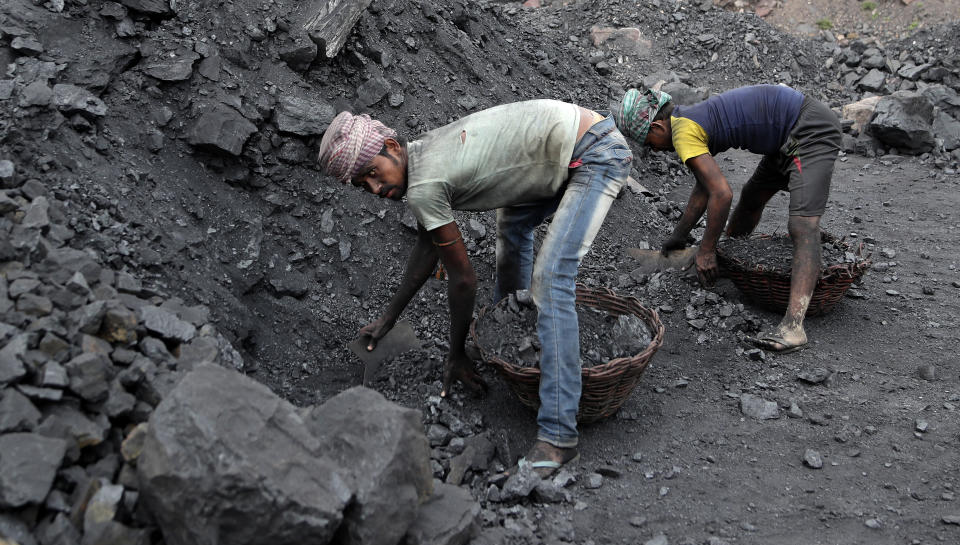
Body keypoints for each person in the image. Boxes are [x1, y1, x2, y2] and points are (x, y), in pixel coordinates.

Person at [317, 100, 632, 477]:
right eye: (362, 184)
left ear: (393, 148)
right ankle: (512, 344)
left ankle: (558, 437)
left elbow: (464, 280)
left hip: (594, 153)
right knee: (513, 227)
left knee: (550, 280)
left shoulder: (424, 183)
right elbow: (426, 248)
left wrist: (457, 354)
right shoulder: (421, 158)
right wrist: (387, 319)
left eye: (372, 172)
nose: (374, 186)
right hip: (567, 146)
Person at [615, 84, 842, 353]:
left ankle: (793, 327)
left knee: (803, 225)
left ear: (657, 128)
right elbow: (704, 186)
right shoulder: (689, 119)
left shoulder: (683, 131)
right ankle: (730, 262)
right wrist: (678, 235)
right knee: (752, 197)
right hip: (785, 137)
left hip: (808, 129)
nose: (655, 151)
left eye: (650, 145)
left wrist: (707, 250)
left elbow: (721, 194)